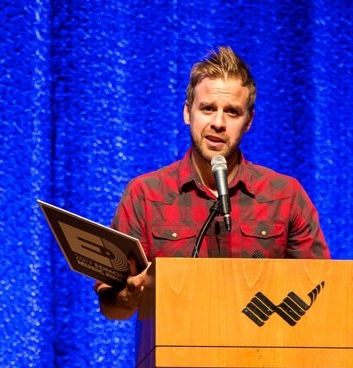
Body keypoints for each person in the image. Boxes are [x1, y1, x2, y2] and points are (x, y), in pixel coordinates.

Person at [96, 46, 330, 320]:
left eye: (232, 112)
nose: (218, 123)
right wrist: (130, 294)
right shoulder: (145, 194)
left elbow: (321, 290)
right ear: (187, 113)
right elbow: (111, 306)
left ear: (248, 122)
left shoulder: (285, 195)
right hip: (175, 358)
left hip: (265, 358)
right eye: (207, 108)